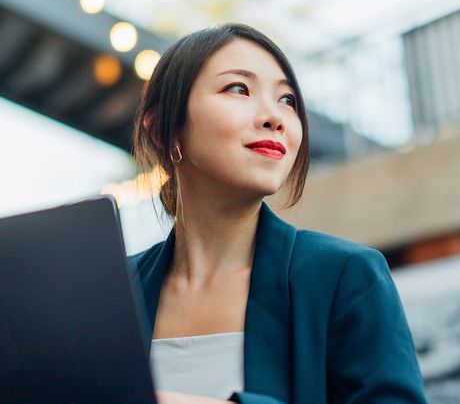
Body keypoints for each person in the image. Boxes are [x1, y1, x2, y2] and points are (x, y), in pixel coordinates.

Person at [129, 23, 426, 404]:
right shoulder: (115, 291)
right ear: (161, 130)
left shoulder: (345, 275)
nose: (275, 117)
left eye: (287, 99)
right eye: (238, 88)